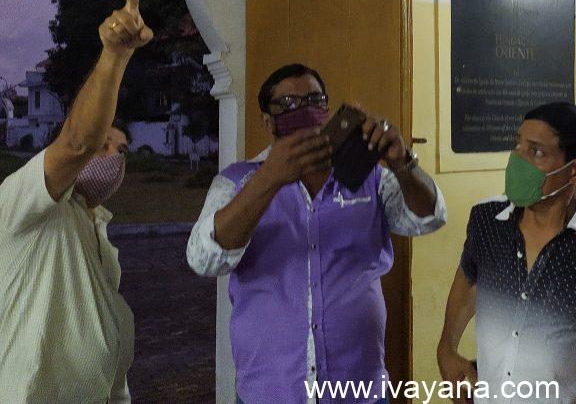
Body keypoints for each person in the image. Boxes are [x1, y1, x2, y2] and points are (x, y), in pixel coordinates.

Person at [186, 63, 447, 404]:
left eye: (314, 100)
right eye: (288, 103)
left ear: (327, 108)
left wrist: (403, 162)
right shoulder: (236, 181)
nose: (303, 109)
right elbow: (203, 259)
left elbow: (429, 218)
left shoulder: (370, 176)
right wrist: (270, 178)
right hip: (270, 392)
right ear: (267, 121)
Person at [0, 0, 152, 403]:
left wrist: (8, 347)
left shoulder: (95, 223)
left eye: (121, 149)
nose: (112, 155)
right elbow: (78, 142)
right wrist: (115, 55)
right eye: (103, 144)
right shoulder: (21, 203)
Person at [438, 102, 576, 404]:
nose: (517, 159)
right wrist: (447, 348)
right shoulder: (487, 220)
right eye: (518, 145)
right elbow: (470, 277)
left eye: (536, 151)